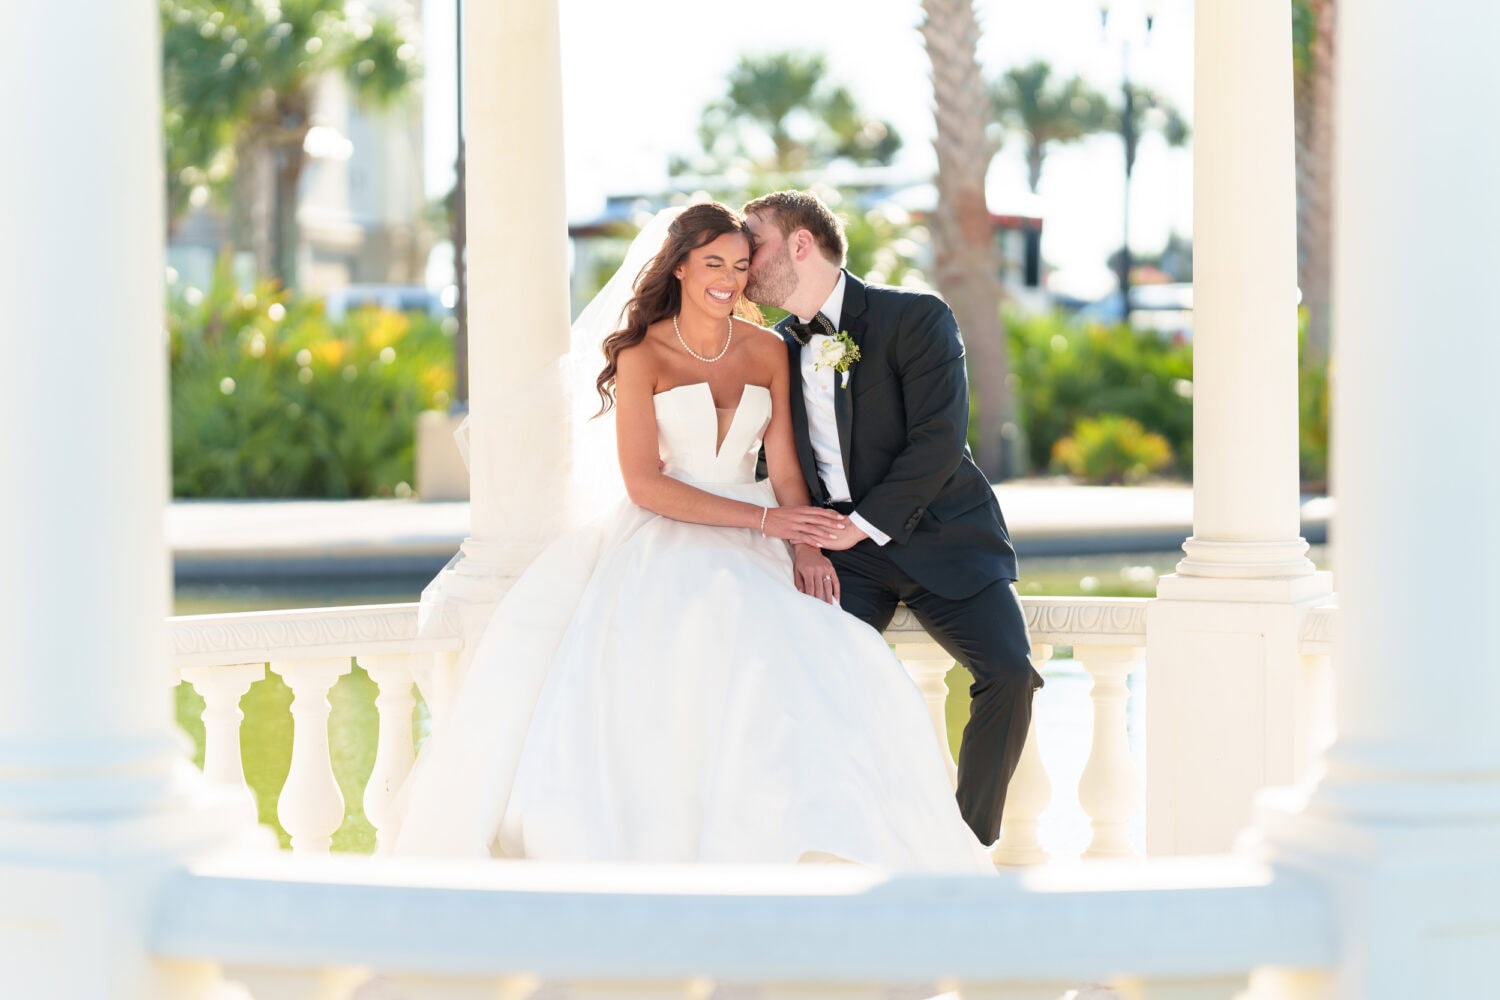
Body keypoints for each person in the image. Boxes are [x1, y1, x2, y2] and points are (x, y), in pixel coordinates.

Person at [389, 202, 993, 872]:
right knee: (697, 627)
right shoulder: (641, 355)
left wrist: (807, 543)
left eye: (740, 265)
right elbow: (645, 483)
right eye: (713, 264)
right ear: (678, 266)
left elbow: (789, 472)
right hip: (668, 528)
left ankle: (807, 835)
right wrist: (766, 521)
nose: (729, 279)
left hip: (765, 526)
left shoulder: (768, 349)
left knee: (828, 655)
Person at [741, 190, 1041, 848]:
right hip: (842, 553)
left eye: (752, 240)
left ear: (800, 244)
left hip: (946, 535)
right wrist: (807, 540)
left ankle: (966, 843)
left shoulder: (918, 317)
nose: (743, 257)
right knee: (809, 683)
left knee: (1010, 675)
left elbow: (937, 443)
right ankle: (840, 840)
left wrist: (862, 523)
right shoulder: (772, 350)